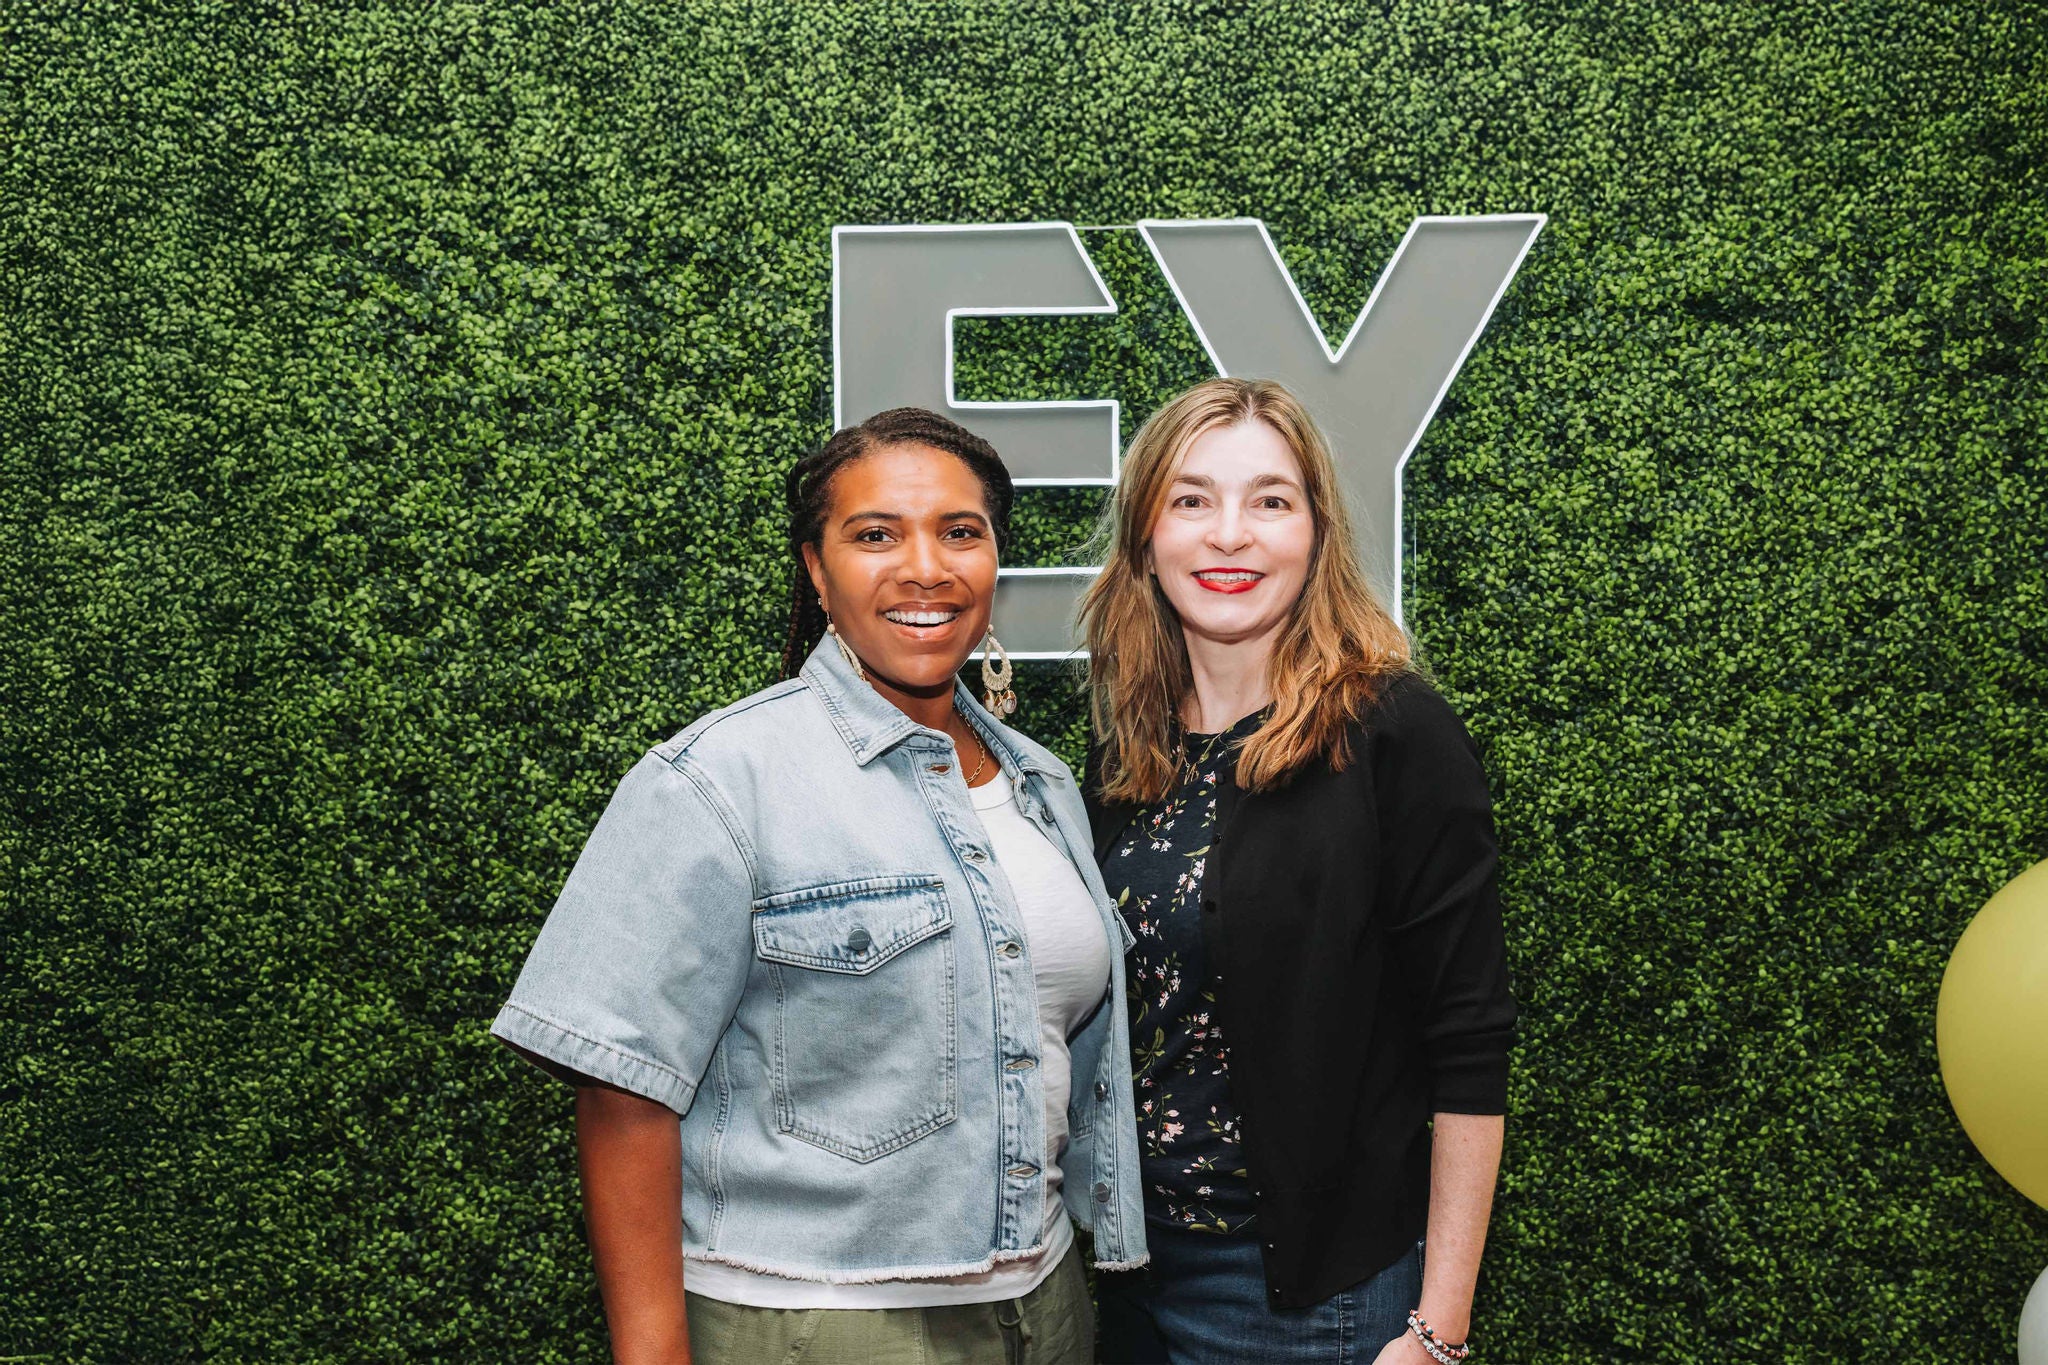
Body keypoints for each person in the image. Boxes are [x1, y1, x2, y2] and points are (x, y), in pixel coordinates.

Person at [490, 407, 1147, 1365]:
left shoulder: (1041, 782)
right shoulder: (720, 778)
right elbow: (621, 1090)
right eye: (875, 533)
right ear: (816, 569)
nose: (925, 566)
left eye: (960, 532)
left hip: (1042, 1306)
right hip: (815, 1322)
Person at [1080, 377, 1516, 1365]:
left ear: (1316, 535)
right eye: (1190, 500)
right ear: (1146, 537)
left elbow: (1468, 1041)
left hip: (1307, 1302)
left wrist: (1437, 1331)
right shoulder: (1125, 762)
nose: (1227, 534)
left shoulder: (1389, 730)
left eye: (1268, 501)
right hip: (1124, 1283)